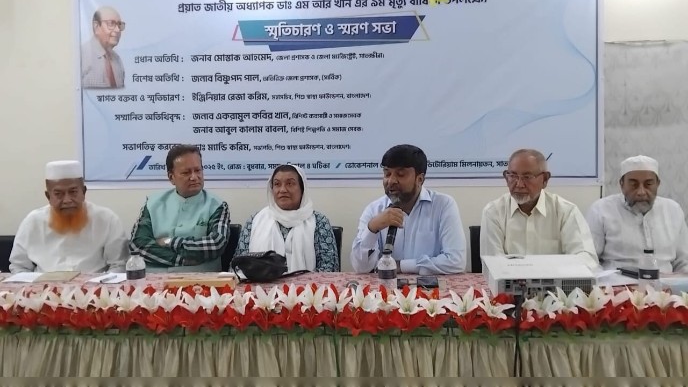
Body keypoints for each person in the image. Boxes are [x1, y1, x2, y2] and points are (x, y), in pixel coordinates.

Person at [351, 144, 466, 275]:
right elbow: (361, 268)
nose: (391, 181)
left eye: (400, 174)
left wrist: (401, 266)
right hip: (385, 287)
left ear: (420, 179)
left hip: (431, 287)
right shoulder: (374, 210)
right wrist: (372, 228)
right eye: (387, 174)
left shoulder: (443, 205)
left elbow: (456, 261)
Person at [480, 149, 598, 268]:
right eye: (513, 176)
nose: (519, 184)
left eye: (527, 177)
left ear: (545, 179)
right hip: (509, 280)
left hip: (555, 279)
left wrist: (547, 273)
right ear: (506, 178)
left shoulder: (566, 211)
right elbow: (493, 265)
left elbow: (587, 260)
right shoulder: (493, 212)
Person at [9, 160, 129, 273]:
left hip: (94, 286)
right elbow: (18, 266)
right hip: (43, 285)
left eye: (73, 192)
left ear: (84, 192)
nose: (67, 200)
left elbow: (119, 265)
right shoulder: (33, 221)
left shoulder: (107, 219)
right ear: (48, 196)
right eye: (58, 194)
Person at [130, 145, 230, 272]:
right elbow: (138, 245)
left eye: (198, 170)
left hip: (201, 279)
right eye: (186, 173)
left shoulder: (217, 205)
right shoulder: (153, 203)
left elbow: (215, 245)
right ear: (171, 177)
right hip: (154, 278)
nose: (194, 177)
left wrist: (169, 241)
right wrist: (180, 260)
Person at [586, 155, 688, 273]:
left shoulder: (673, 210)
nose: (641, 192)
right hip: (617, 282)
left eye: (648, 184)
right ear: (622, 184)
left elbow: (684, 262)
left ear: (658, 184)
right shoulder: (601, 210)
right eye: (633, 185)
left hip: (667, 283)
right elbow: (589, 260)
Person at [235, 164, 339, 272]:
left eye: (290, 183)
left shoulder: (319, 222)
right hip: (259, 283)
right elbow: (238, 266)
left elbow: (329, 270)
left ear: (302, 188)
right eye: (277, 184)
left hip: (309, 283)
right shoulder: (255, 221)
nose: (283, 190)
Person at [81, 6, 125, 89]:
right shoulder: (80, 56)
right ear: (96, 26)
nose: (117, 30)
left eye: (119, 25)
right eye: (111, 23)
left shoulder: (117, 60)